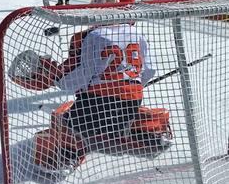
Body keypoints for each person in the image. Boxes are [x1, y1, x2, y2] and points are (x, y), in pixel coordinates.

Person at [9, 22, 172, 173]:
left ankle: (66, 157)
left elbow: (81, 75)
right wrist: (132, 85)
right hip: (132, 103)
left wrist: (57, 78)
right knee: (129, 114)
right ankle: (153, 134)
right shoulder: (136, 32)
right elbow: (149, 70)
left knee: (64, 122)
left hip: (97, 105)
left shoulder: (91, 36)